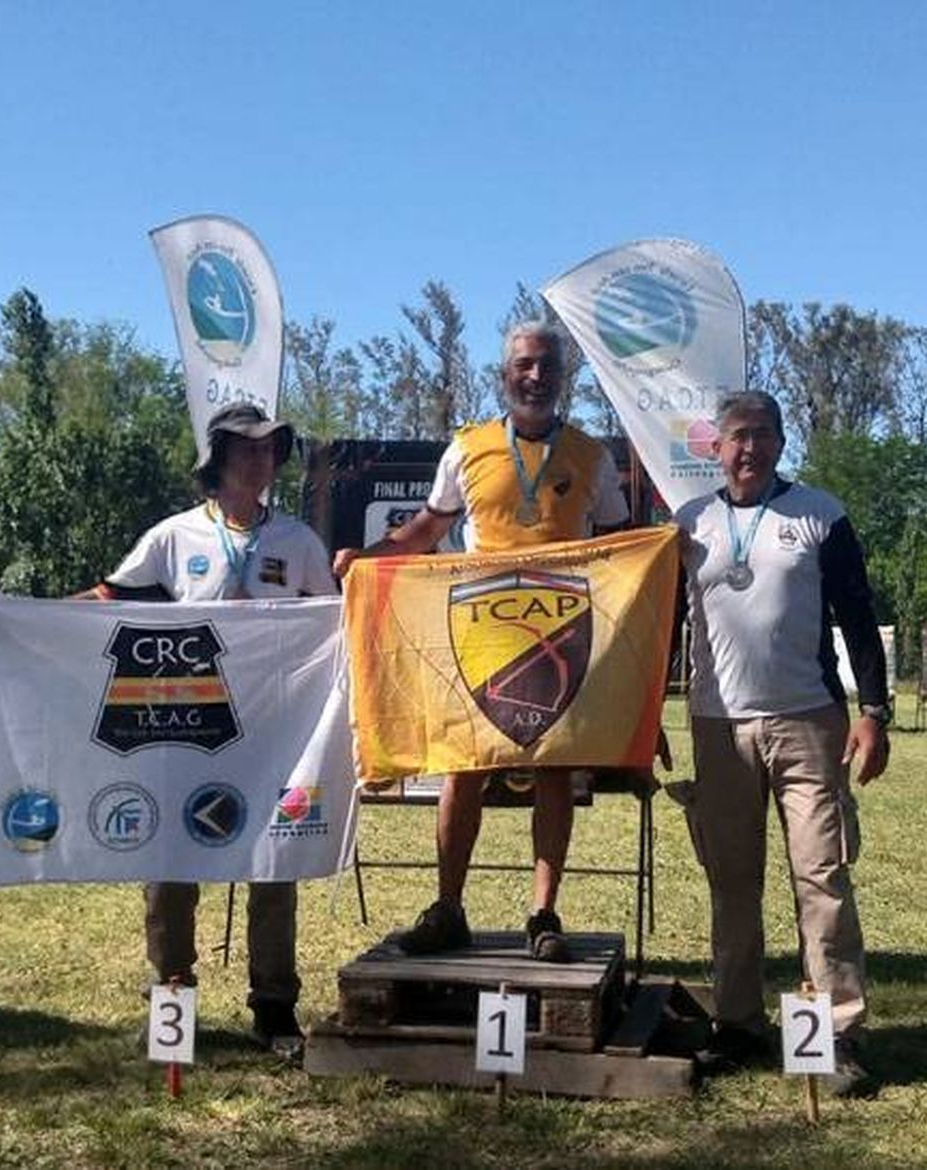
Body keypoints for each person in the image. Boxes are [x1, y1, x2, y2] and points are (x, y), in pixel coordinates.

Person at [333, 321, 630, 961]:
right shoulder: (466, 449)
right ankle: (448, 908)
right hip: (479, 636)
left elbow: (619, 548)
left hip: (560, 636)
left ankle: (543, 915)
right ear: (504, 374)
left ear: (562, 377)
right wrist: (369, 557)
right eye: (524, 364)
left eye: (547, 366)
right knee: (462, 771)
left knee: (553, 774)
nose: (536, 376)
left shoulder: (590, 455)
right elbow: (422, 531)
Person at [80, 401, 336, 1052]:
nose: (262, 460)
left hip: (277, 734)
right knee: (169, 864)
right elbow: (108, 599)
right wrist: (15, 614)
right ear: (217, 458)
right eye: (248, 449)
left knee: (275, 864)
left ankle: (275, 1008)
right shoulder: (173, 537)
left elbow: (336, 626)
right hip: (185, 728)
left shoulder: (299, 543)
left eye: (271, 449)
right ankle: (172, 1000)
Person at [673, 389, 891, 1098]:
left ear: (781, 442)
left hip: (809, 721)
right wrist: (647, 714)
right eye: (737, 436)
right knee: (731, 882)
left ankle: (837, 1036)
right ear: (717, 447)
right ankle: (736, 1024)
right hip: (717, 725)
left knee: (821, 881)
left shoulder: (821, 515)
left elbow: (859, 617)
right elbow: (655, 628)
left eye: (763, 435)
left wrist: (875, 711)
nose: (749, 448)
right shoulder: (690, 524)